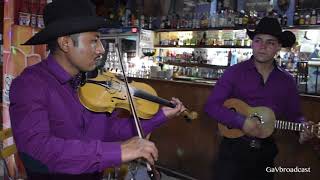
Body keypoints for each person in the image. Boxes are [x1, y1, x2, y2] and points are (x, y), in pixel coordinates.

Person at [9, 0, 185, 179]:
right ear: (65, 43)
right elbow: (39, 148)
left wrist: (160, 116)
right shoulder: (29, 85)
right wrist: (118, 151)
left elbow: (109, 129)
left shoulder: (88, 84)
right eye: (94, 41)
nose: (101, 49)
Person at [205, 17, 314, 180]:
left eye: (270, 42)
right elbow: (212, 106)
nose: (262, 47)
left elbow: (294, 115)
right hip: (232, 151)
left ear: (278, 47)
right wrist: (241, 121)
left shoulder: (287, 81)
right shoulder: (234, 73)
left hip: (265, 153)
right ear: (252, 43)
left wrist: (302, 128)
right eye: (258, 40)